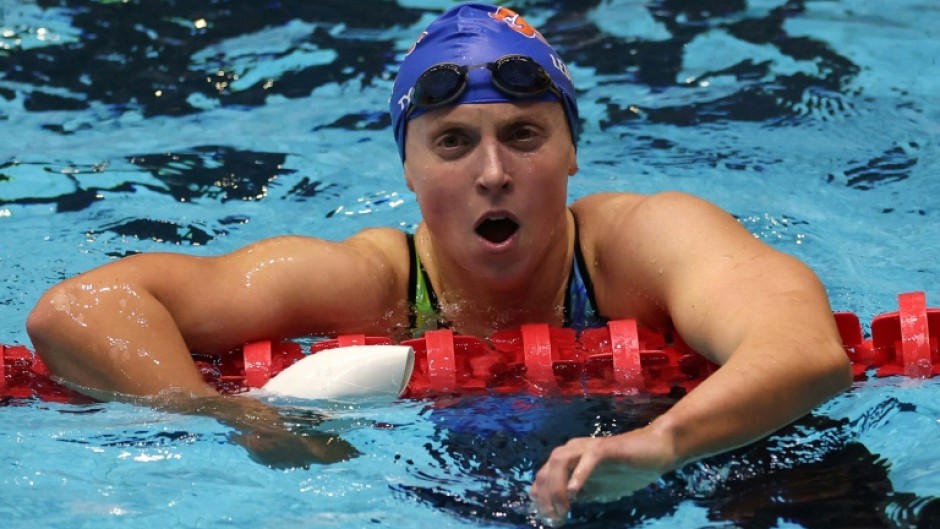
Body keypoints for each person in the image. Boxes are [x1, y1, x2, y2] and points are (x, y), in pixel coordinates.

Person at [26, 3, 852, 525]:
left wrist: (666, 442)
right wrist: (235, 418)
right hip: (452, 492)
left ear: (572, 151)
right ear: (410, 171)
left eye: (524, 135)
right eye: (453, 143)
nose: (492, 172)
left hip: (716, 458)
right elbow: (79, 310)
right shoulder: (374, 285)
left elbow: (804, 348)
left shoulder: (639, 245)